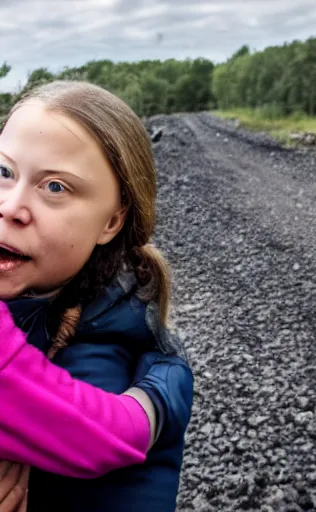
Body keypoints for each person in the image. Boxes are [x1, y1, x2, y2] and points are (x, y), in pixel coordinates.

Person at [0, 80, 194, 511]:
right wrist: (165, 393)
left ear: (112, 221)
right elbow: (118, 431)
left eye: (55, 187)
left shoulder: (99, 369)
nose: (11, 206)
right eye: (4, 171)